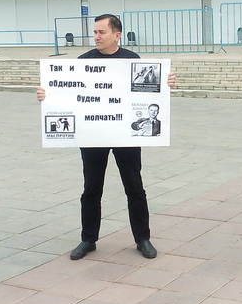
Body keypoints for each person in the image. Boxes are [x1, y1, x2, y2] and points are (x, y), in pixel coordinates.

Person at [36, 14, 174, 261]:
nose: (97, 37)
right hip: (93, 135)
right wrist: (47, 96)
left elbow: (145, 92)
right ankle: (88, 239)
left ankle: (142, 238)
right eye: (95, 32)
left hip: (125, 136)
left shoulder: (132, 60)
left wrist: (166, 83)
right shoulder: (83, 61)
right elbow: (69, 92)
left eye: (102, 32)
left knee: (134, 187)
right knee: (91, 188)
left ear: (117, 35)